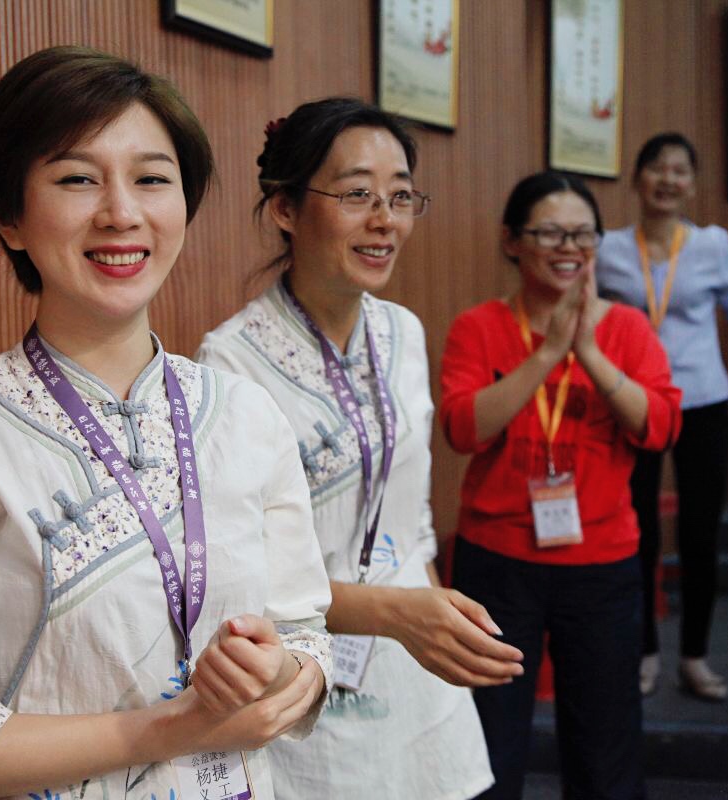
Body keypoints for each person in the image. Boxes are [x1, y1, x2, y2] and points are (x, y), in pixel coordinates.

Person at [0, 47, 333, 800]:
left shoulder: (244, 414)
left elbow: (306, 638)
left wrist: (277, 671)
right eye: (78, 179)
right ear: (9, 217)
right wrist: (172, 727)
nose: (121, 213)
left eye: (152, 179)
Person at [197, 97, 520, 800]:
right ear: (285, 208)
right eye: (356, 195)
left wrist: (434, 624)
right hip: (307, 678)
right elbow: (242, 576)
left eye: (400, 196)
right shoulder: (230, 365)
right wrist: (397, 614)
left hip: (418, 664)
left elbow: (411, 518)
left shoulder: (403, 332)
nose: (385, 220)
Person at [441, 171, 682, 799]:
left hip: (602, 562)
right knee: (491, 738)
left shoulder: (627, 328)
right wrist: (548, 352)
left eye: (583, 234)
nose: (569, 247)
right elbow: (464, 429)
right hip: (498, 561)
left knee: (605, 740)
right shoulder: (479, 326)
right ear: (513, 241)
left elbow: (659, 425)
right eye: (550, 233)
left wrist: (590, 355)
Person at [595, 132, 728, 701]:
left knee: (700, 534)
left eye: (680, 170)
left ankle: (695, 656)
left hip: (703, 400)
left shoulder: (714, 245)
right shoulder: (609, 249)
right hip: (635, 403)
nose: (668, 180)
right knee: (637, 532)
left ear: (692, 184)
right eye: (657, 168)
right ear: (636, 178)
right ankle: (644, 651)